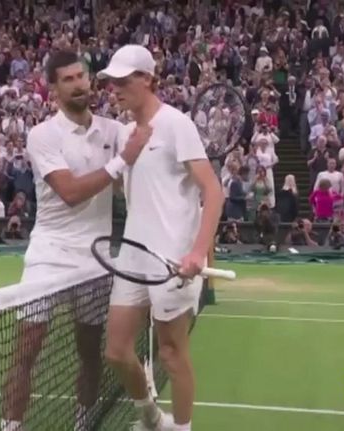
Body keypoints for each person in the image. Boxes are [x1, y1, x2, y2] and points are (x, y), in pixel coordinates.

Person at [0, 50, 150, 431]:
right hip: (48, 255)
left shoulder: (114, 131)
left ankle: (84, 424)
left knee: (90, 352)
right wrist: (122, 161)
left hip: (94, 260)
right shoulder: (42, 135)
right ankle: (10, 427)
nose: (79, 84)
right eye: (68, 79)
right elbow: (70, 192)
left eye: (82, 76)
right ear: (53, 88)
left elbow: (145, 148)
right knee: (26, 352)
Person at [97, 45, 224, 431]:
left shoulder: (176, 124)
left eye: (124, 81)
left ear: (148, 79)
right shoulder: (127, 134)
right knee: (116, 350)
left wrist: (198, 253)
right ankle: (152, 417)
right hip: (133, 255)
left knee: (171, 353)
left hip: (173, 259)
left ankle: (182, 428)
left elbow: (212, 190)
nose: (115, 89)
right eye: (112, 82)